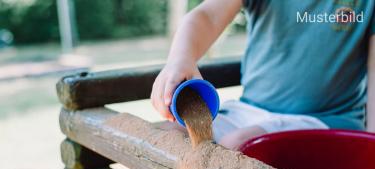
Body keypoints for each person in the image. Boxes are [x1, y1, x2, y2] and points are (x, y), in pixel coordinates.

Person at [151, 0, 375, 150]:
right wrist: (181, 58)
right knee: (169, 136)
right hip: (249, 110)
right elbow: (208, 15)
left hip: (327, 119)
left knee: (239, 145)